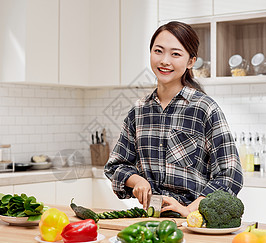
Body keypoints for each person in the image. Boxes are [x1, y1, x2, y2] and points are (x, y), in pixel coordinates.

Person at [104, 21, 243, 217]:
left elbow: (230, 175)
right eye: (158, 51)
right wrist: (137, 181)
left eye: (175, 54)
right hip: (151, 220)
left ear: (191, 61)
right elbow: (116, 166)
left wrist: (187, 210)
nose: (164, 61)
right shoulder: (139, 111)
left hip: (193, 223)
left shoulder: (204, 108)